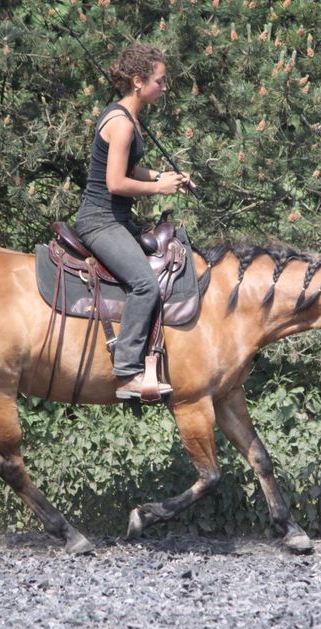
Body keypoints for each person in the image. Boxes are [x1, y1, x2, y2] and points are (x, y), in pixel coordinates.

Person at [74, 42, 193, 400]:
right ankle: (126, 373)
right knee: (145, 284)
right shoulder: (122, 124)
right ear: (138, 81)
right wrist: (160, 190)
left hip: (115, 219)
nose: (165, 88)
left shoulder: (128, 117)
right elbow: (116, 183)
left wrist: (163, 176)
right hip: (100, 221)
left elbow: (129, 168)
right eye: (161, 81)